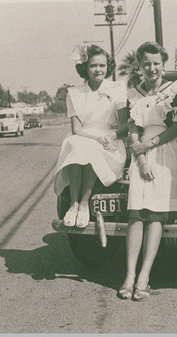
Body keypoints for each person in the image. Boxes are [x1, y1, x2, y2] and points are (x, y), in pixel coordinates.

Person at [118, 41, 177, 301]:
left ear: (163, 64)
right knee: (136, 213)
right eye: (146, 63)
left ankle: (144, 276)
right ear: (139, 66)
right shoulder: (134, 93)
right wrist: (141, 156)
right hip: (141, 153)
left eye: (156, 63)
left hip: (167, 148)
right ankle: (129, 275)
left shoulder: (175, 89)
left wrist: (149, 145)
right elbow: (133, 126)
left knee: (155, 213)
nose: (151, 68)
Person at [53, 45, 127, 228]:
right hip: (84, 135)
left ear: (108, 67)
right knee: (77, 145)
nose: (98, 70)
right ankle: (74, 203)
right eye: (93, 65)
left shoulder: (117, 89)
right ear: (85, 67)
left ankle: (84, 203)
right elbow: (76, 129)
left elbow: (124, 125)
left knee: (90, 149)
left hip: (110, 138)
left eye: (102, 65)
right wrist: (95, 138)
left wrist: (111, 136)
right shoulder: (75, 94)